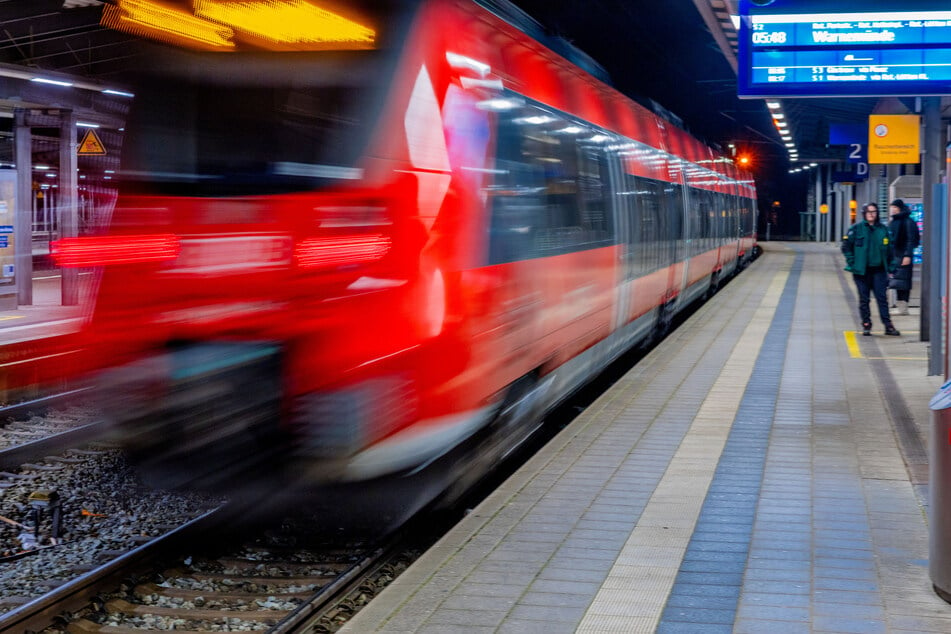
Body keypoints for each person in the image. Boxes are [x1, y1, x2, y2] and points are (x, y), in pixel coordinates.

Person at [841, 202, 900, 336]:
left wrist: (891, 267)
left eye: (874, 212)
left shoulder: (883, 230)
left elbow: (890, 250)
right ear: (864, 214)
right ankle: (866, 324)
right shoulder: (856, 229)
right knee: (864, 298)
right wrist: (852, 262)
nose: (871, 214)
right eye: (868, 212)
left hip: (879, 270)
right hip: (861, 271)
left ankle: (888, 325)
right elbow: (846, 247)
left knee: (881, 298)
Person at [888, 199, 920, 315]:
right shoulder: (895, 221)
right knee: (897, 281)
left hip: (903, 255)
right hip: (895, 256)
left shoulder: (907, 222)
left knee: (904, 282)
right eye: (892, 207)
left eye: (895, 207)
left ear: (900, 208)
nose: (892, 209)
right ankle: (900, 306)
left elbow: (911, 240)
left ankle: (903, 307)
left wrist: (907, 255)